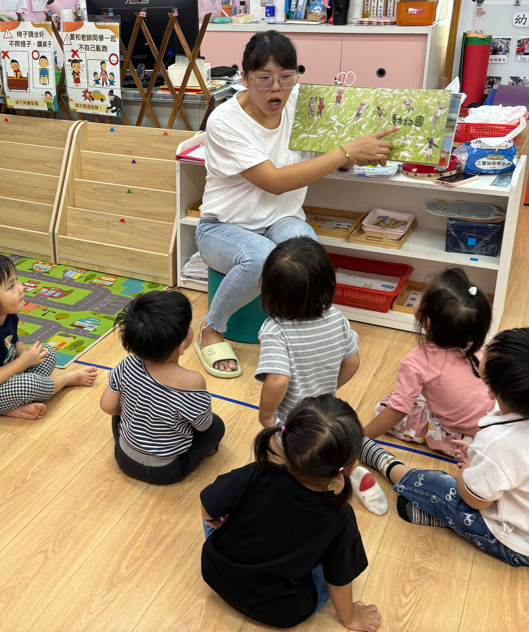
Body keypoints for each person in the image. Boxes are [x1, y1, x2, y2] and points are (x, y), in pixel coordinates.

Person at [194, 31, 397, 377]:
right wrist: (346, 152)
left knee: (307, 253)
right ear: (244, 78)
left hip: (280, 219)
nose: (276, 88)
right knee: (261, 258)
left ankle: (302, 329)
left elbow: (331, 153)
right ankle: (212, 328)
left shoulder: (303, 104)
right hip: (222, 227)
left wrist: (359, 154)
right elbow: (274, 182)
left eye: (286, 77)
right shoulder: (225, 120)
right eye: (264, 79)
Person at [360, 328, 529, 566]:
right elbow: (520, 462)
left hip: (524, 547)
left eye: (487, 348)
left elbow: (476, 501)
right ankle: (444, 517)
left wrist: (466, 471)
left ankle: (380, 459)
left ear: (491, 390)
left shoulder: (498, 442)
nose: (483, 346)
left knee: (438, 484)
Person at [200, 395, 381, 630]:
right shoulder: (340, 516)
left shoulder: (258, 471)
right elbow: (340, 579)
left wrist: (216, 518)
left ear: (284, 439)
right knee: (334, 565)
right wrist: (351, 618)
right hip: (281, 610)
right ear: (349, 467)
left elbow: (208, 504)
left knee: (220, 514)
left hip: (216, 573)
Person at [255, 237, 387, 515]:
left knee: (276, 454)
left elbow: (278, 380)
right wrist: (328, 389)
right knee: (333, 443)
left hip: (296, 425)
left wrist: (266, 416)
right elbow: (352, 362)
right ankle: (351, 469)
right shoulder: (337, 317)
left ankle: (300, 488)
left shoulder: (275, 329)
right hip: (329, 414)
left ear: (269, 289)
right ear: (327, 284)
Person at [0, 253, 97, 420]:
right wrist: (24, 361)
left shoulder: (6, 314)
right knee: (28, 384)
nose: (21, 287)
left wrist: (25, 352)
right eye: (11, 286)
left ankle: (12, 406)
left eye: (16, 280)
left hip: (1, 377)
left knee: (47, 353)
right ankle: (64, 380)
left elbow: (12, 342)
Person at [99, 290, 225, 484]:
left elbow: (107, 406)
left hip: (124, 459)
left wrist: (136, 414)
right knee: (216, 425)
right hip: (166, 471)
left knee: (119, 411)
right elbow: (203, 426)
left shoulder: (127, 364)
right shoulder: (193, 382)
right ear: (181, 346)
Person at [364, 268, 493, 457]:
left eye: (422, 296)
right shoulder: (475, 340)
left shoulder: (418, 360)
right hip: (493, 423)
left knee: (383, 406)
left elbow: (397, 410)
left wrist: (361, 438)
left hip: (460, 437)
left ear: (428, 321)